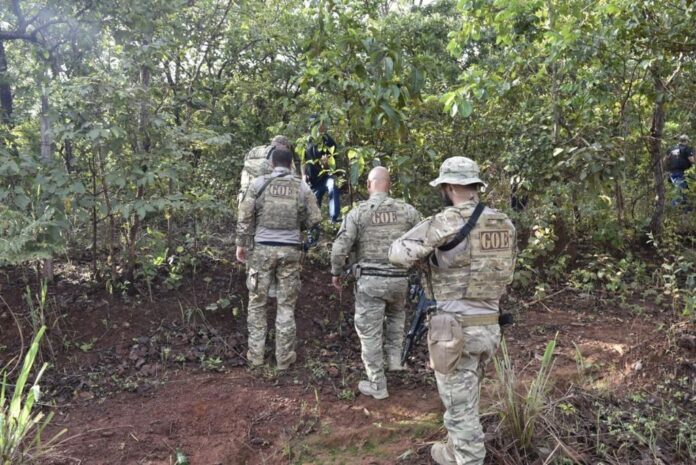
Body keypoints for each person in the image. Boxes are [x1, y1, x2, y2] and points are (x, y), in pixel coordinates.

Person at [388, 157, 516, 465]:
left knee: (461, 413)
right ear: (475, 186)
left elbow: (397, 252)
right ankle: (451, 452)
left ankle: (468, 458)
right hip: (489, 327)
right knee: (466, 402)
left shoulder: (446, 221)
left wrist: (425, 257)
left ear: (447, 187)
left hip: (455, 330)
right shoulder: (504, 223)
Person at [330, 167, 421, 399]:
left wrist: (336, 271)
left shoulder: (359, 213)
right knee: (396, 318)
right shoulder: (407, 211)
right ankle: (394, 361)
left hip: (370, 281)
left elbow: (341, 246)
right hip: (399, 280)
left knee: (369, 332)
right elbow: (424, 238)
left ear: (369, 185)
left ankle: (377, 384)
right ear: (389, 185)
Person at [236, 148, 321, 369]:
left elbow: (244, 215)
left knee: (257, 304)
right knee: (285, 306)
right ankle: (283, 359)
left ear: (272, 163)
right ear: (290, 164)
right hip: (291, 251)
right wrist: (298, 222)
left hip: (262, 250)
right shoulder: (301, 186)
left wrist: (241, 244)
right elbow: (315, 218)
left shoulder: (258, 184)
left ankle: (255, 357)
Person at [304, 117, 341, 223]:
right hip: (313, 180)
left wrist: (326, 164)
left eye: (319, 124)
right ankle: (313, 237)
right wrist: (303, 175)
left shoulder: (327, 140)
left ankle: (334, 218)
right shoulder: (306, 142)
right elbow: (303, 160)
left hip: (325, 176)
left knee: (332, 185)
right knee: (314, 209)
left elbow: (333, 157)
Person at [238, 135, 292, 206]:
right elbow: (290, 176)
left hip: (246, 192)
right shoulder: (280, 154)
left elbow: (245, 170)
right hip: (267, 196)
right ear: (284, 144)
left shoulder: (256, 151)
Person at [665, 134, 695, 206]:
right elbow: (692, 160)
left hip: (672, 174)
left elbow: (665, 160)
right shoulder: (687, 149)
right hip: (680, 174)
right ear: (686, 141)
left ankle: (686, 213)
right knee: (679, 195)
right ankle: (671, 211)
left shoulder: (671, 148)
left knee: (685, 193)